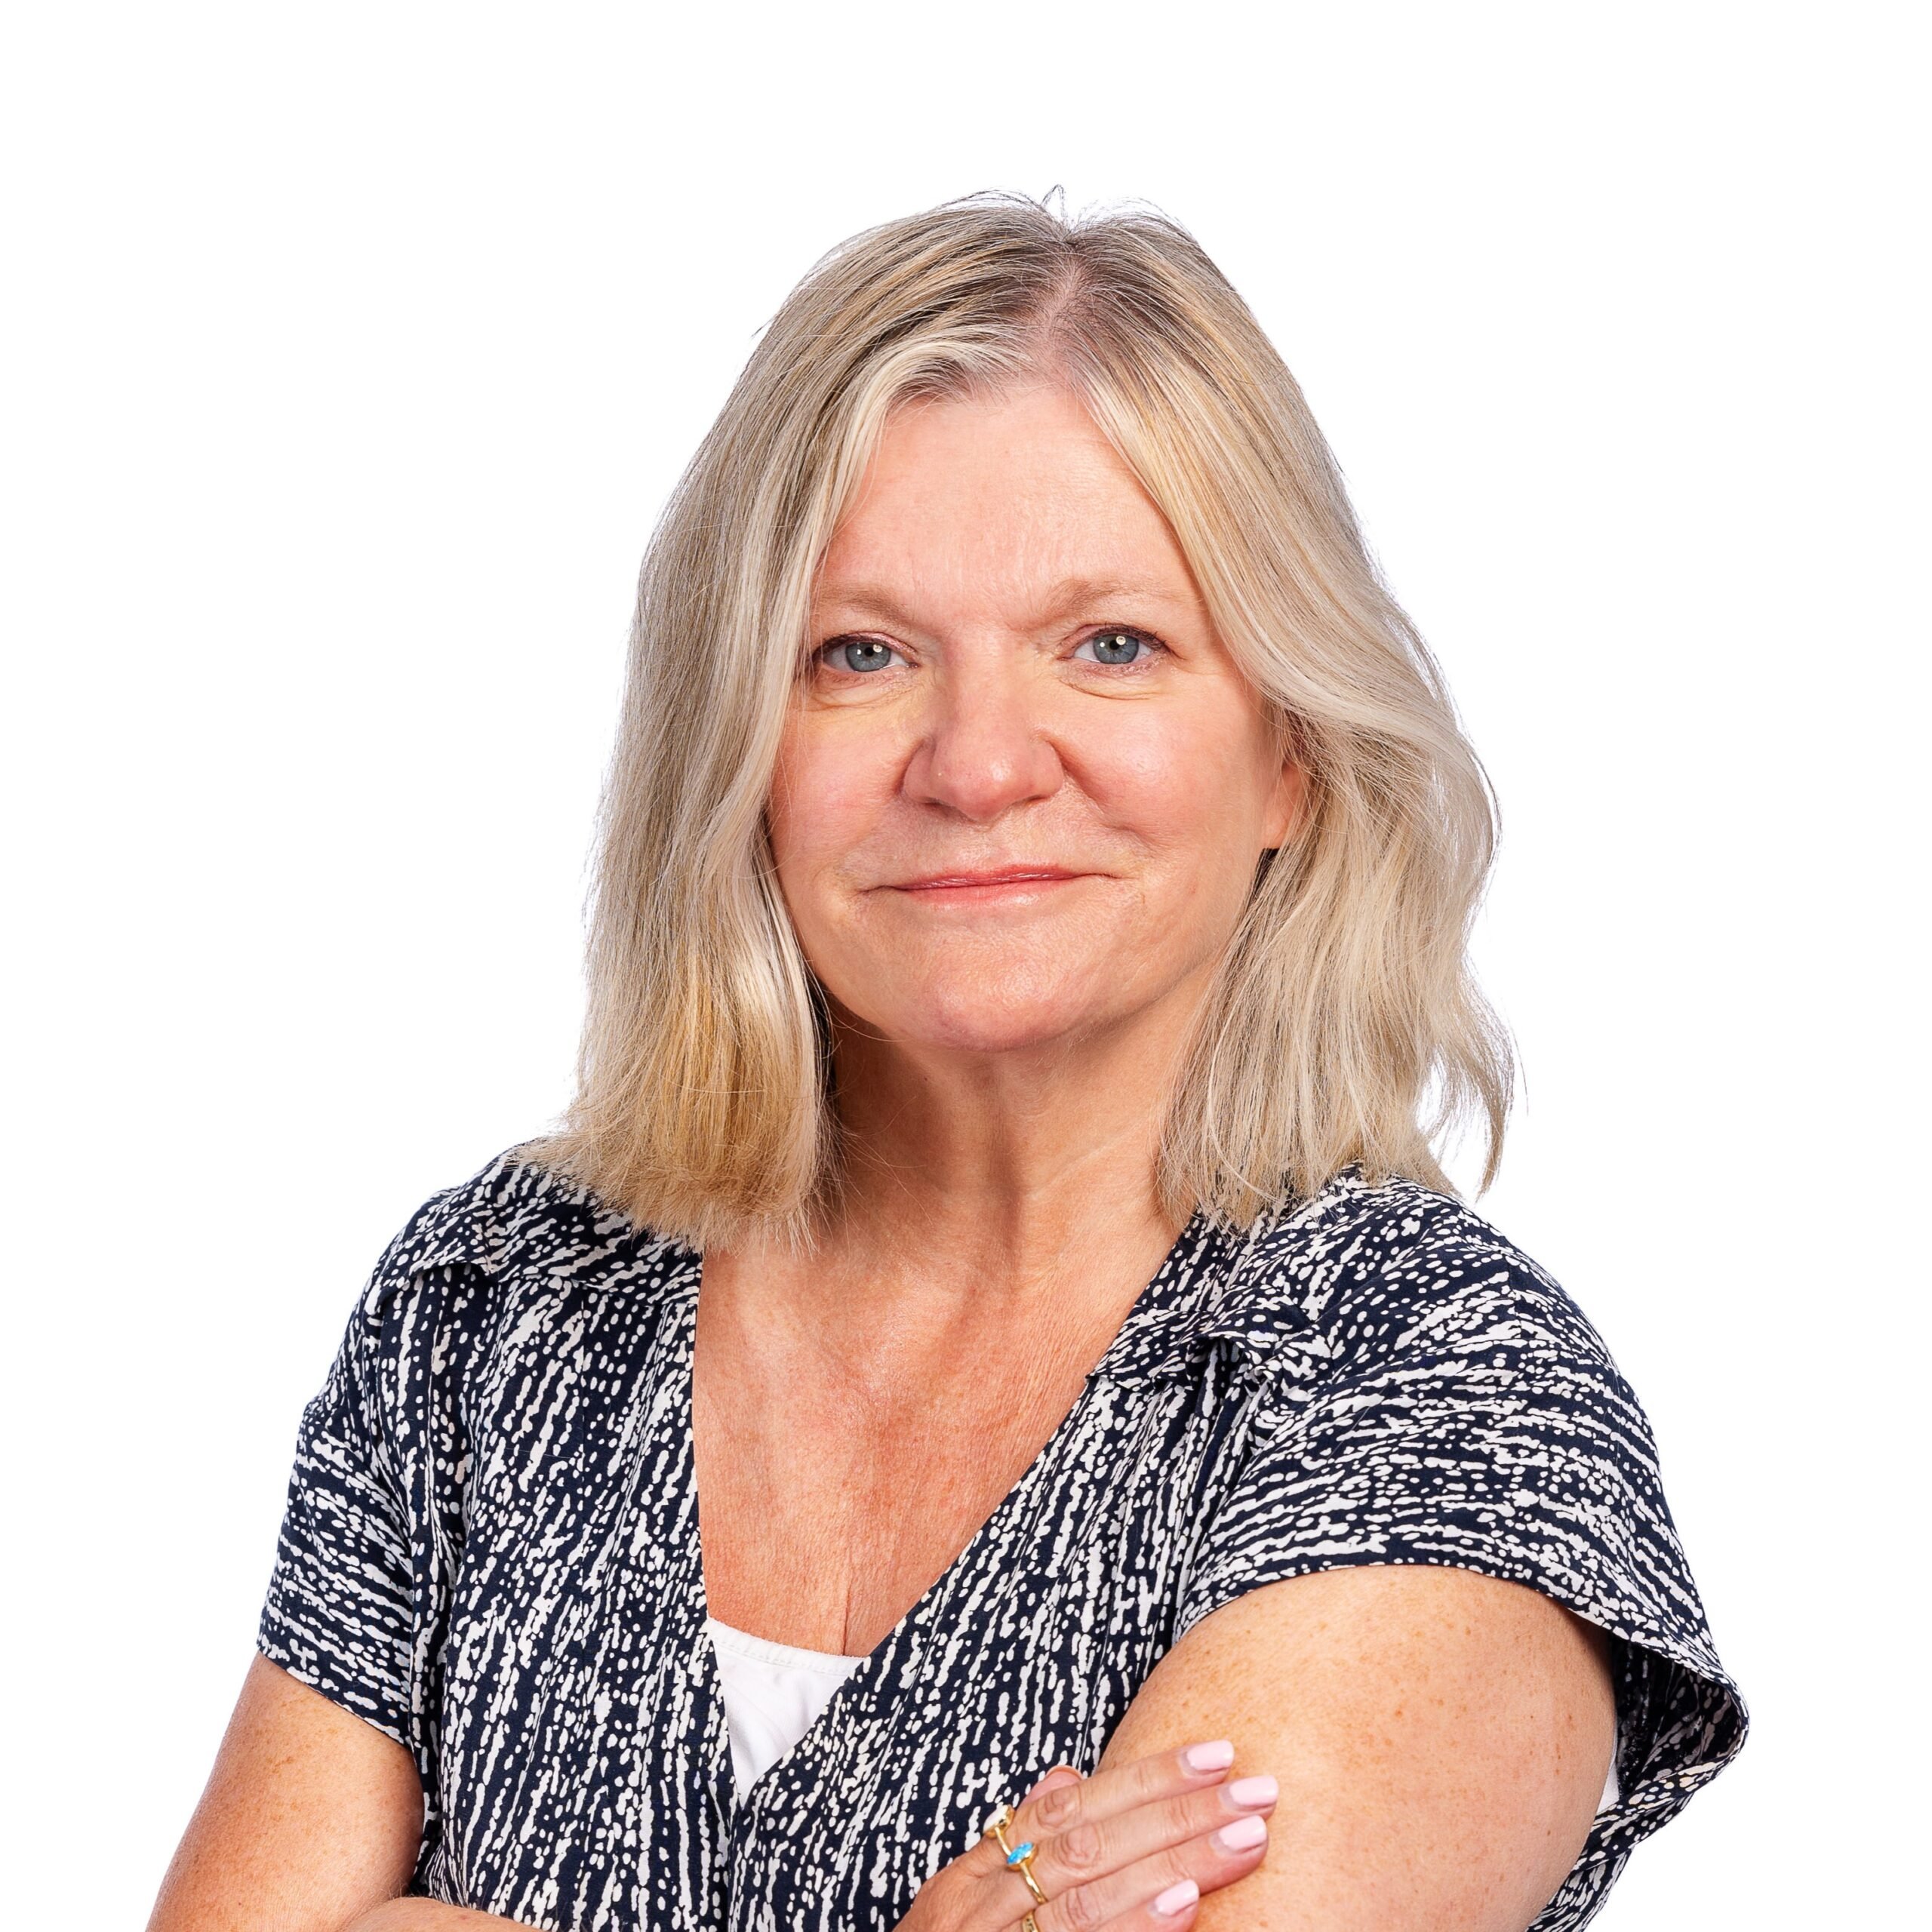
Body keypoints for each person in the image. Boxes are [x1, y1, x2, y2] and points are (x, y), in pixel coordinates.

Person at [148, 192, 1746, 1932]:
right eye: (860, 653)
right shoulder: (499, 1296)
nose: (978, 764)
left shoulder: (1428, 1382)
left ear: (1288, 752)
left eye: (1110, 644)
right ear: (736, 745)